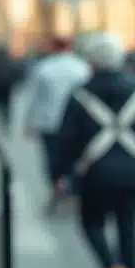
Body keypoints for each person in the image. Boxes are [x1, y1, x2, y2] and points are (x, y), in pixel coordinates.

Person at [53, 33, 135, 268]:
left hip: (95, 172)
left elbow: (66, 138)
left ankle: (111, 265)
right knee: (128, 230)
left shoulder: (80, 94)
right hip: (132, 172)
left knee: (91, 223)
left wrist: (59, 174)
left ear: (91, 62)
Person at [22, 35, 92, 212]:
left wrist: (29, 122)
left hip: (50, 122)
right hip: (77, 123)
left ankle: (57, 190)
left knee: (53, 160)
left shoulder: (44, 68)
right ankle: (71, 189)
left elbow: (33, 97)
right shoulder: (82, 68)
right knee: (74, 158)